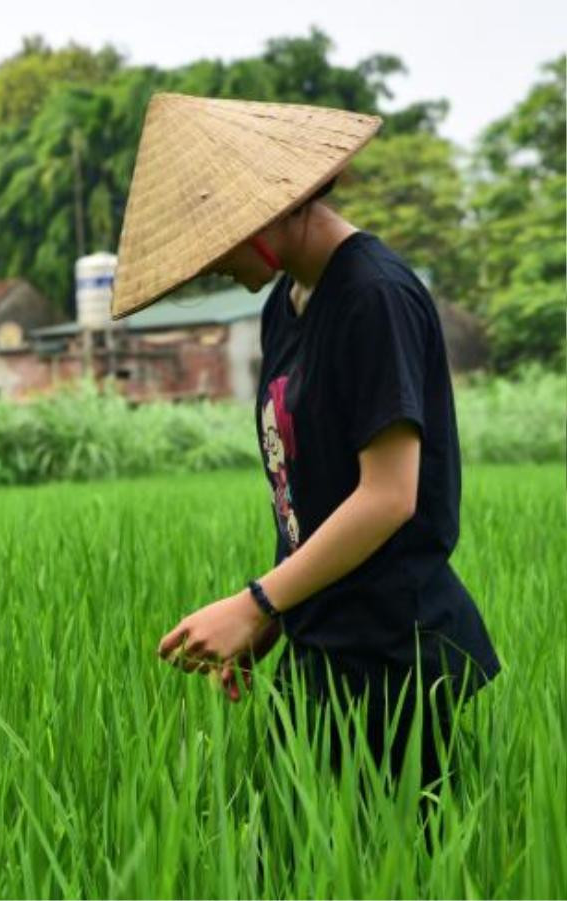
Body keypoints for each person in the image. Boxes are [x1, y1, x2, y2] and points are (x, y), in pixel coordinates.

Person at [110, 94, 501, 789]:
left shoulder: (373, 296)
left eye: (216, 240)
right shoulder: (283, 306)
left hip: (389, 661)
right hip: (319, 645)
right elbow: (304, 490)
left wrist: (254, 601)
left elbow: (388, 497)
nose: (212, 266)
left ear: (267, 213)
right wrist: (275, 616)